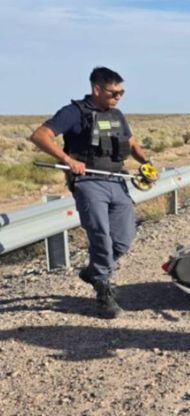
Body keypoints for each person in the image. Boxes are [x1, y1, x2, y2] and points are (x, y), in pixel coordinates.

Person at [30, 66, 152, 319]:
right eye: (113, 92)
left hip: (117, 180)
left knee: (123, 239)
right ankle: (103, 291)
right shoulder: (74, 112)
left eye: (121, 93)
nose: (118, 97)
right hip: (89, 182)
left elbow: (130, 142)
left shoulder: (117, 115)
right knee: (100, 236)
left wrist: (146, 162)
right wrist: (68, 160)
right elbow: (40, 136)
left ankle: (94, 272)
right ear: (96, 88)